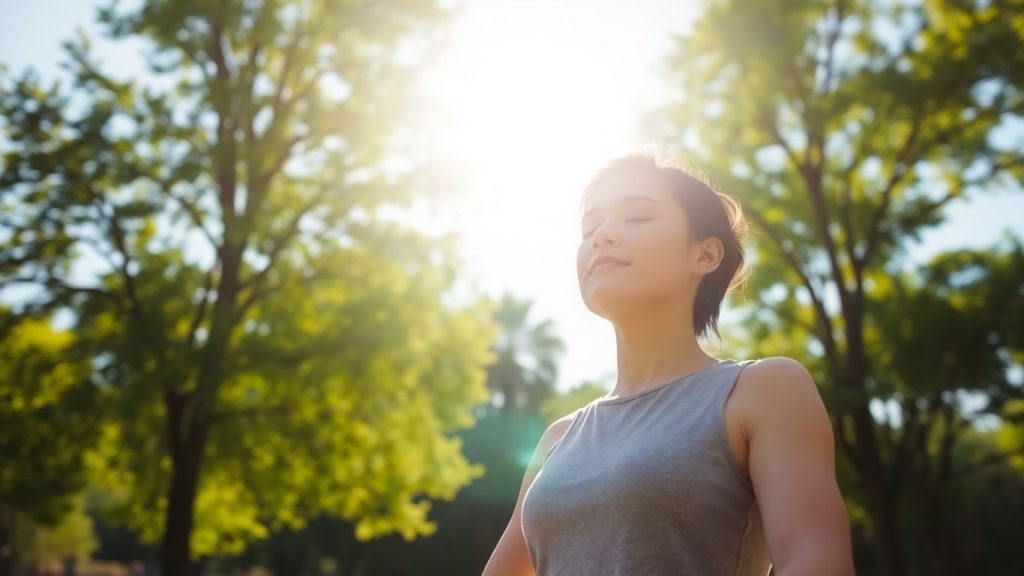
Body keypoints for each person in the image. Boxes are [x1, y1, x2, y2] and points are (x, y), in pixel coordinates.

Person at [481, 151, 855, 576]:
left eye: (637, 217)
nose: (602, 236)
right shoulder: (557, 439)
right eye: (590, 227)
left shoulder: (762, 389)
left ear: (705, 255)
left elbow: (816, 561)